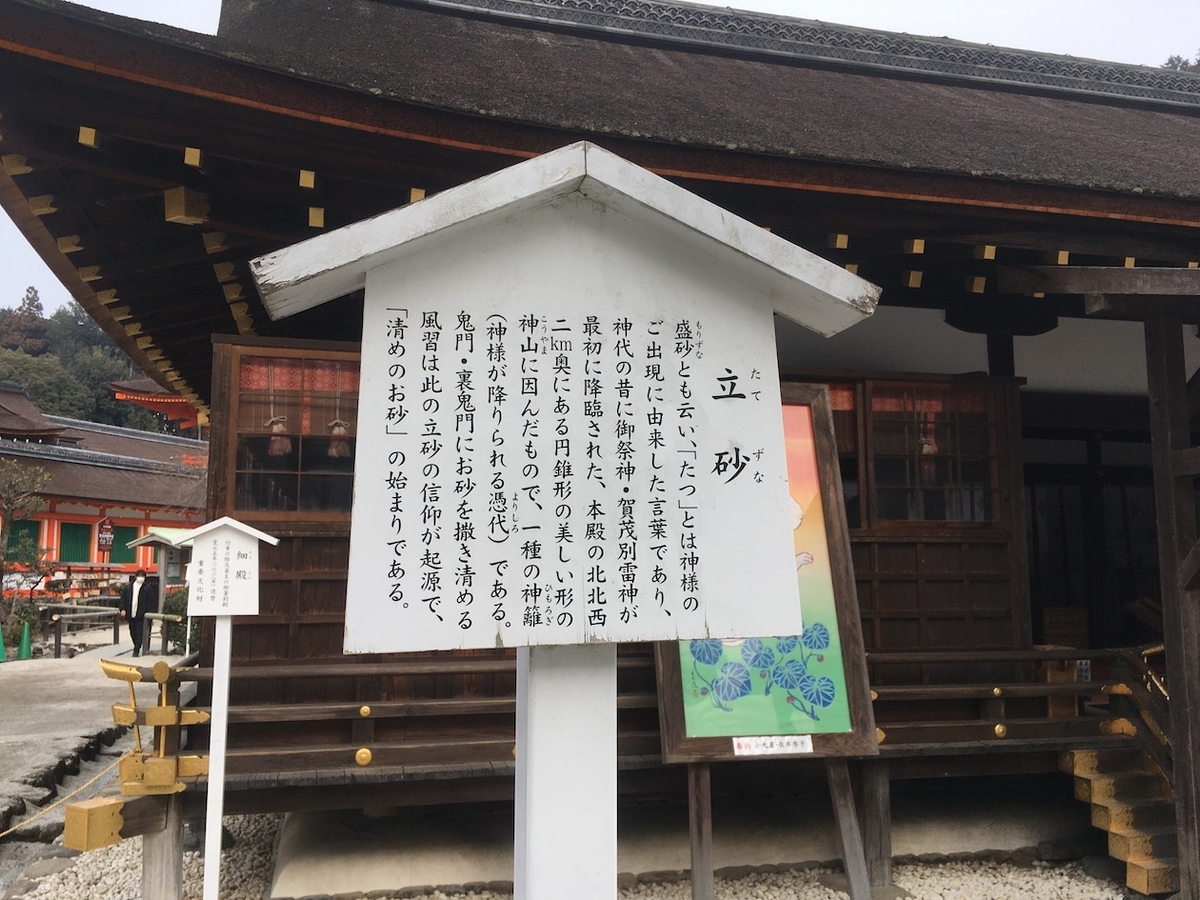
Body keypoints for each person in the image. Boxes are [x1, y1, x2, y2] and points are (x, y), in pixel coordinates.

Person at [118, 569, 157, 657]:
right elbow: (123, 599)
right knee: (132, 632)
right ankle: (137, 645)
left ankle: (136, 649)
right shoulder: (128, 588)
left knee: (140, 632)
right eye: (139, 576)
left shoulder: (147, 588)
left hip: (141, 615)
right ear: (135, 577)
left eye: (143, 576)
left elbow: (151, 601)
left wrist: (147, 612)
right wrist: (122, 609)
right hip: (131, 614)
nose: (141, 578)